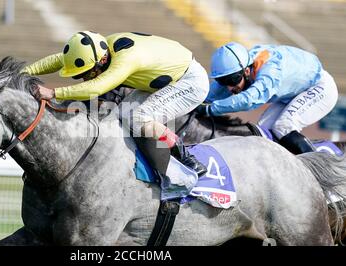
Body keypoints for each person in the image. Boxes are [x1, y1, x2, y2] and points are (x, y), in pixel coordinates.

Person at [23, 31, 209, 178]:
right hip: (165, 78)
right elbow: (59, 60)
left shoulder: (126, 60)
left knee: (139, 118)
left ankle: (185, 157)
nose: (84, 77)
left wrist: (54, 92)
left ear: (102, 61)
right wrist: (24, 72)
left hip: (189, 82)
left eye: (86, 73)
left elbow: (96, 87)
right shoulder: (100, 50)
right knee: (118, 117)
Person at [196, 42, 338, 154]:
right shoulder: (242, 67)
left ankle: (319, 172)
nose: (229, 88)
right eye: (223, 81)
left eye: (232, 80)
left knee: (283, 126)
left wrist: (210, 110)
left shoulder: (269, 70)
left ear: (246, 71)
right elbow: (208, 97)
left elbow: (249, 100)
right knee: (264, 132)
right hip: (292, 94)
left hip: (320, 88)